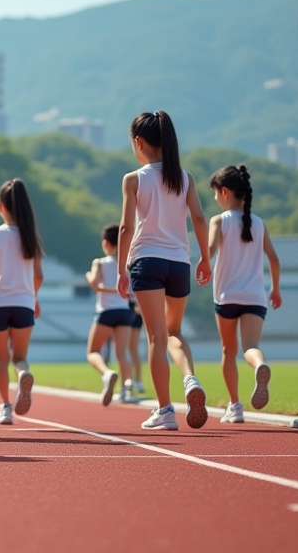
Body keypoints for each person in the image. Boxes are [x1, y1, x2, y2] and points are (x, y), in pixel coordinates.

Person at [116, 110, 211, 431]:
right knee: (174, 333)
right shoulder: (185, 178)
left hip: (147, 261)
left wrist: (121, 270)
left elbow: (126, 227)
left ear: (138, 142)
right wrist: (205, 258)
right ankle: (190, 378)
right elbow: (199, 218)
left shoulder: (134, 179)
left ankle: (166, 410)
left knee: (156, 337)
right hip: (180, 263)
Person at [209, 165, 282, 422]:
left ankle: (235, 406)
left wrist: (203, 264)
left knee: (228, 351)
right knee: (250, 346)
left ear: (224, 192)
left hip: (227, 297)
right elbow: (274, 260)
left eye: (215, 194)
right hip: (255, 297)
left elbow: (210, 248)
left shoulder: (219, 221)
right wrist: (275, 289)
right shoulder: (260, 224)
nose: (215, 199)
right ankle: (259, 365)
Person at [0, 179, 43, 425]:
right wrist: (33, 297)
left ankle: (5, 407)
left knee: (1, 358)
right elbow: (39, 276)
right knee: (19, 357)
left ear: (0, 207)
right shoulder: (31, 239)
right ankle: (23, 373)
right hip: (23, 303)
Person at [84, 224, 134, 405]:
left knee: (93, 351)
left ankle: (107, 373)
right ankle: (126, 390)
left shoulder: (100, 262)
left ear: (106, 243)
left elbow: (94, 284)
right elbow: (131, 292)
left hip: (106, 311)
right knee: (122, 354)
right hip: (124, 311)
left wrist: (88, 275)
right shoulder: (127, 265)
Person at [128, 293, 145, 393]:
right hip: (127, 312)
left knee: (132, 349)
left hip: (132, 314)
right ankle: (131, 380)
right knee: (130, 349)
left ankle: (136, 380)